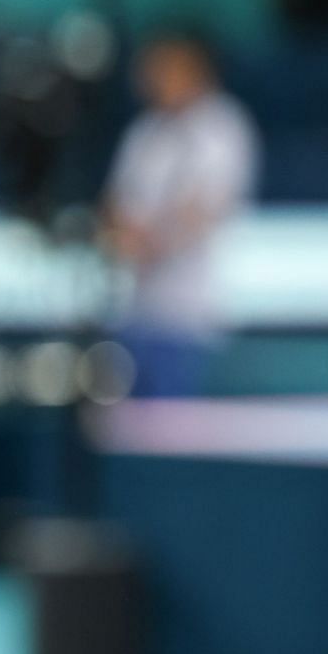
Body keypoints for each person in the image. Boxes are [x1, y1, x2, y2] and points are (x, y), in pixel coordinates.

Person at [102, 30, 259, 397]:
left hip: (190, 315)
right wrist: (121, 236)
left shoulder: (223, 127)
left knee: (174, 431)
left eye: (162, 68)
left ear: (191, 69)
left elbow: (203, 211)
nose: (150, 79)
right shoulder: (144, 132)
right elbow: (114, 206)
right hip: (136, 311)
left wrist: (148, 242)